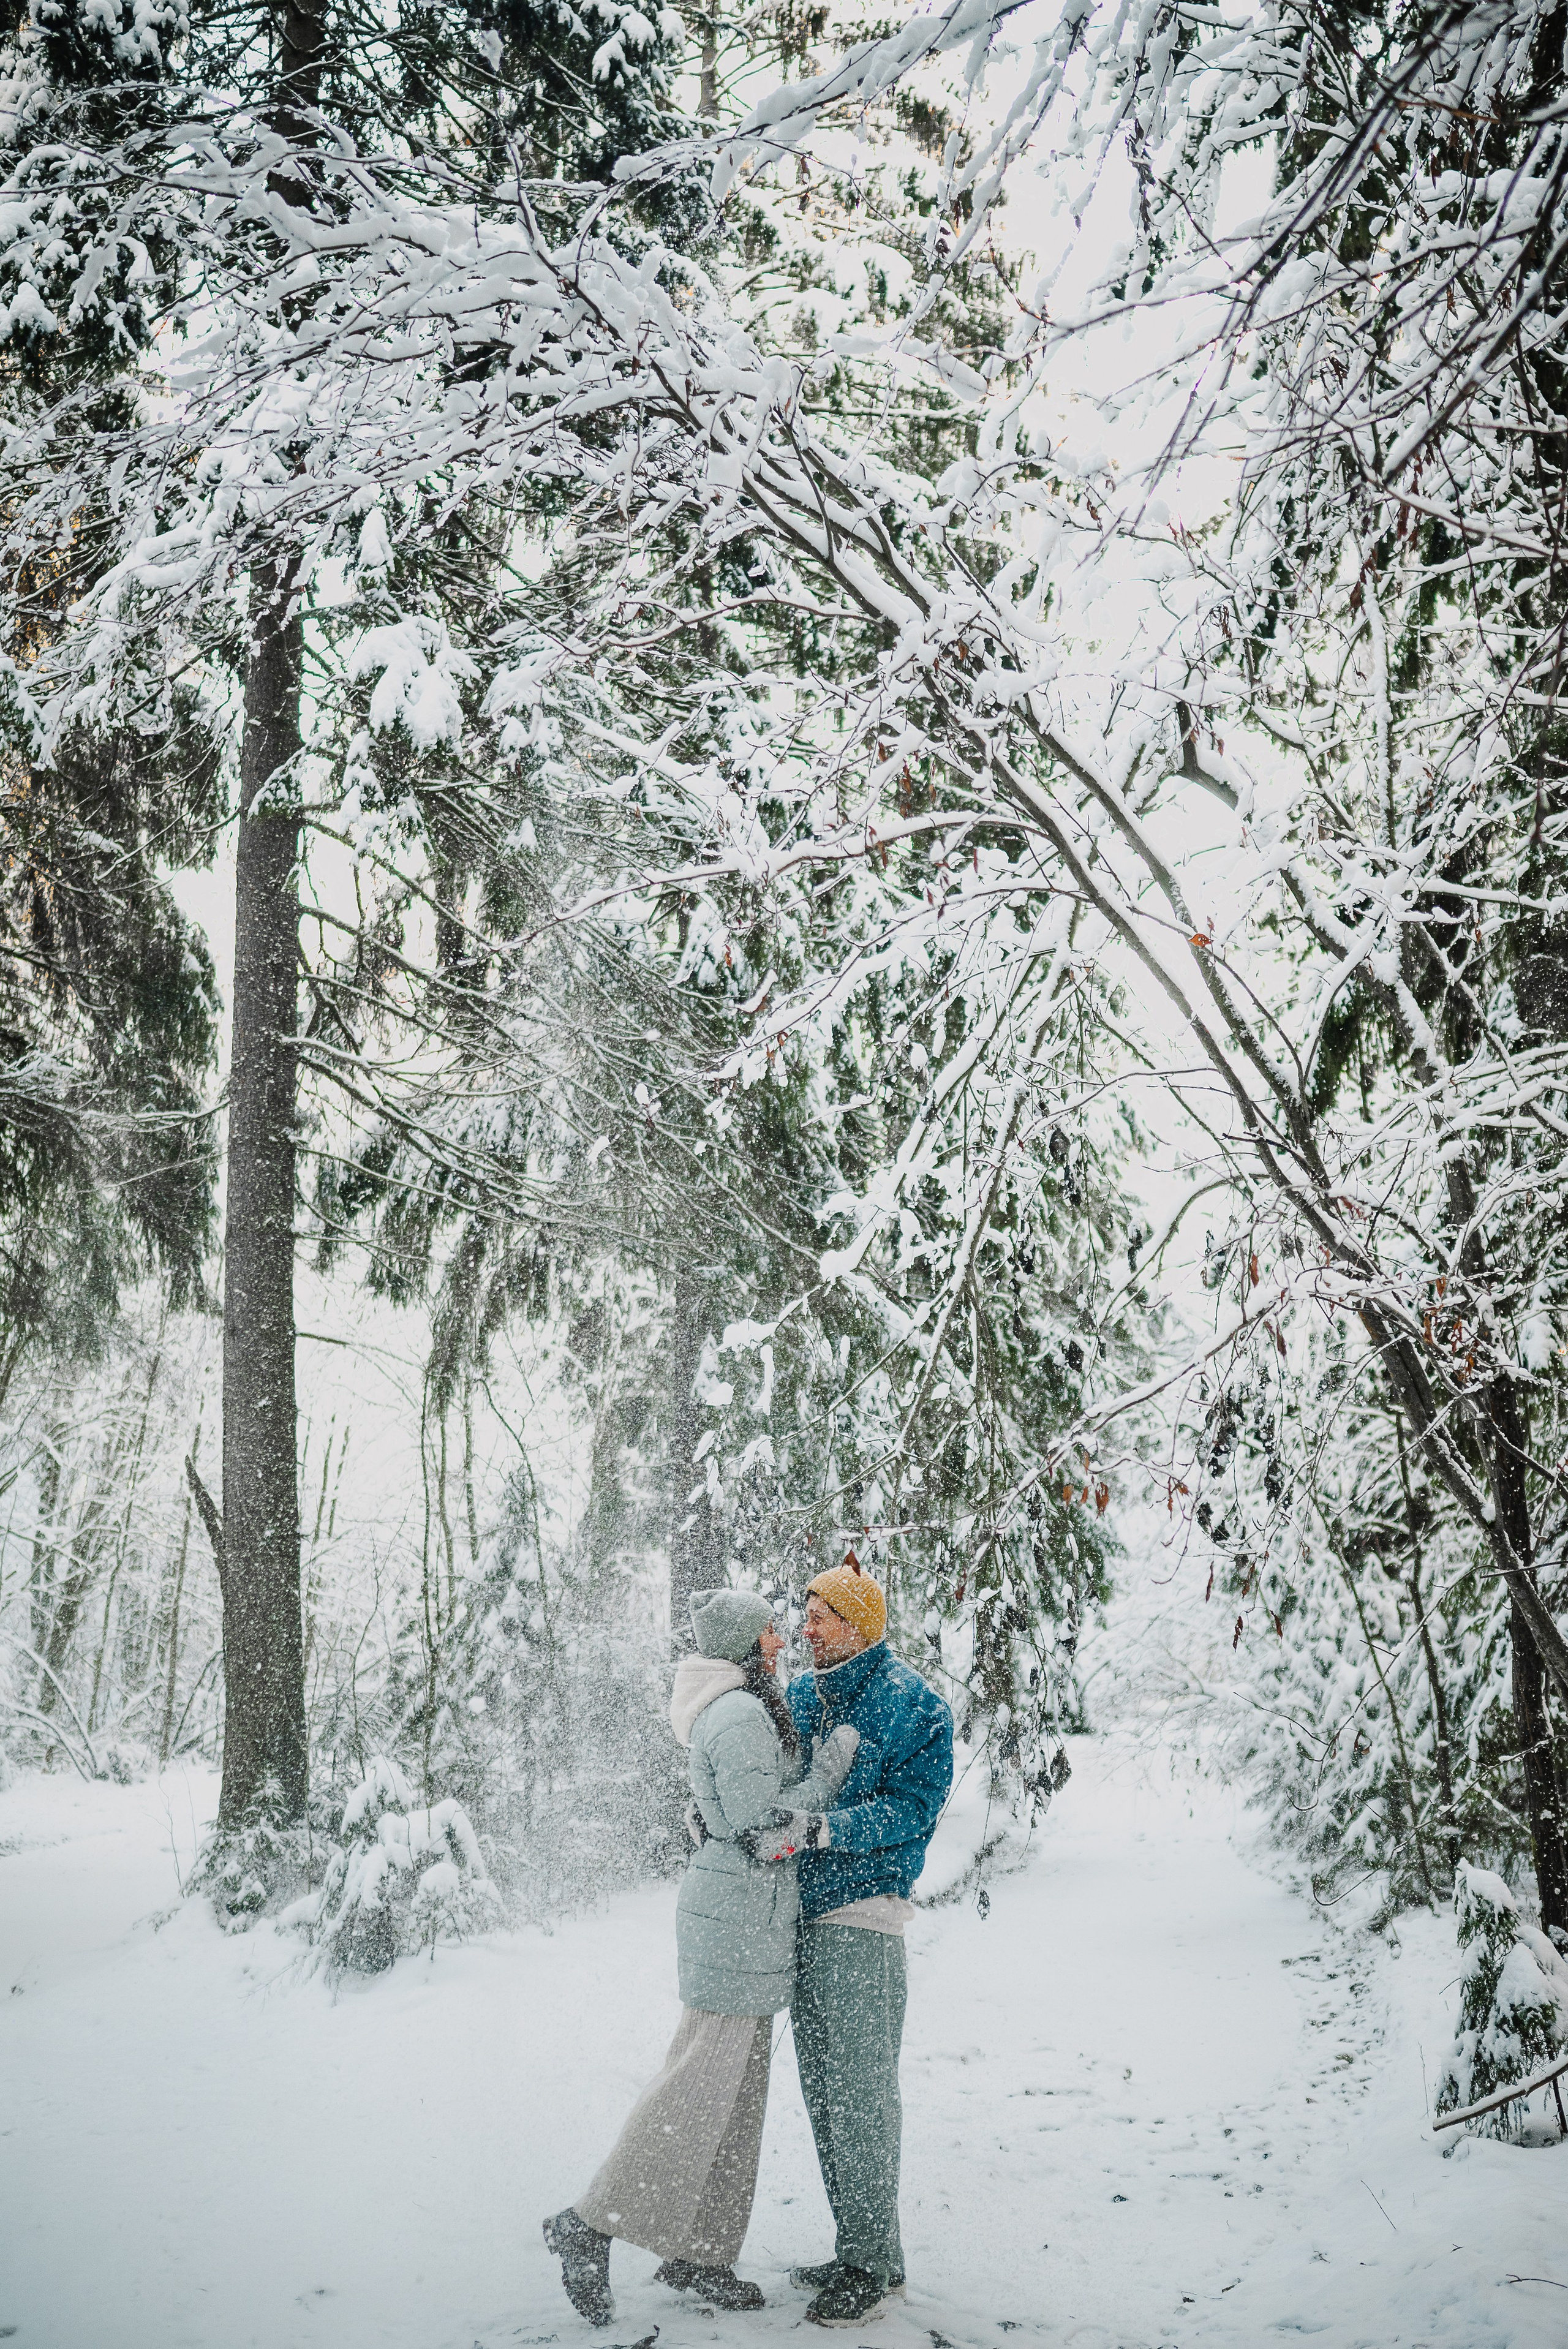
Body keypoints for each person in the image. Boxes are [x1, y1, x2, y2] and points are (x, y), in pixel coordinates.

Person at [543, 1587, 861, 2328]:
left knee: (735, 2100)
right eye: (769, 1631)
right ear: (743, 1643)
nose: (781, 1641)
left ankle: (701, 2254)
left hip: (747, 1921)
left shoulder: (738, 1706)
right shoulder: (741, 1712)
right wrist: (831, 1769)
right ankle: (588, 2223)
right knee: (694, 2089)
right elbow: (764, 1824)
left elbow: (744, 1806)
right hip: (734, 1923)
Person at [782, 1555, 954, 2328]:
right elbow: (772, 1785)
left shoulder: (915, 1705)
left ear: (857, 1624)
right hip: (799, 1921)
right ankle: (858, 2248)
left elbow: (912, 1809)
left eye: (819, 1616)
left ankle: (875, 2268)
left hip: (863, 1919)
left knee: (861, 2098)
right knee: (823, 2096)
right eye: (805, 1615)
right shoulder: (800, 1696)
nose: (806, 1628)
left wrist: (825, 1828)